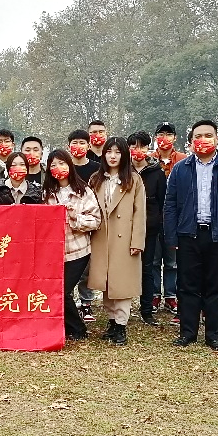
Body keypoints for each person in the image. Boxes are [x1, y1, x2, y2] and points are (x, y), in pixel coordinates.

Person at [163, 120, 218, 352]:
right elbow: (170, 205)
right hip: (188, 235)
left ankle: (214, 335)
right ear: (191, 141)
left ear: (217, 138)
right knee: (187, 286)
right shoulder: (181, 169)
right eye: (198, 136)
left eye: (208, 135)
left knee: (216, 286)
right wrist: (171, 236)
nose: (203, 140)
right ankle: (187, 332)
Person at [87, 138, 146, 346]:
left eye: (117, 152)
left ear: (124, 155)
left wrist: (137, 240)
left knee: (122, 283)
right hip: (101, 237)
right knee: (106, 282)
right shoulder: (96, 179)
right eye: (109, 152)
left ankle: (121, 324)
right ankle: (112, 321)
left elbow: (140, 213)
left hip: (125, 238)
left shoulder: (133, 179)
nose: (113, 156)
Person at [43, 149, 101, 342]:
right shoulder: (47, 194)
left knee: (63, 290)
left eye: (62, 163)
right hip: (54, 252)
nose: (58, 168)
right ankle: (64, 326)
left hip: (78, 250)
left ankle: (78, 329)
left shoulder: (83, 191)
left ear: (69, 165)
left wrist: (75, 217)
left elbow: (96, 221)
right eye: (53, 165)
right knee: (55, 290)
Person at [128, 131, 166, 326]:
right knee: (124, 268)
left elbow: (162, 202)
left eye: (142, 146)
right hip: (124, 228)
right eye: (134, 146)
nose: (138, 150)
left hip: (149, 228)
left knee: (147, 268)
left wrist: (158, 223)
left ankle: (146, 310)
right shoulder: (123, 171)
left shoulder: (157, 172)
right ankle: (122, 309)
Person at [152, 121, 185, 321]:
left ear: (175, 138)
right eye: (161, 134)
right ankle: (155, 294)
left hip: (175, 218)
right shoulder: (149, 160)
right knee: (154, 260)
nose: (164, 138)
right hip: (154, 218)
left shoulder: (183, 160)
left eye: (169, 134)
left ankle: (171, 295)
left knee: (172, 262)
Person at [67, 128, 100, 323]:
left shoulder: (97, 168)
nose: (78, 146)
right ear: (68, 146)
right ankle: (69, 301)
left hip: (89, 219)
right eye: (74, 143)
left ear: (88, 146)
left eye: (82, 143)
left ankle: (86, 302)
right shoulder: (65, 166)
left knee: (87, 266)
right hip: (68, 224)